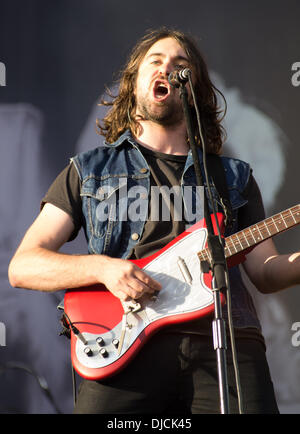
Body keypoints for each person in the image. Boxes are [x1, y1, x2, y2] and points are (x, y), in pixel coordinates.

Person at [8, 27, 300, 414]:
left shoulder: (233, 176)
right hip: (125, 344)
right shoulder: (90, 170)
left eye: (182, 66)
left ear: (195, 89)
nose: (168, 69)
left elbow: (265, 271)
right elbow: (24, 266)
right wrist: (105, 269)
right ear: (134, 82)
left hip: (226, 345)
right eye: (156, 61)